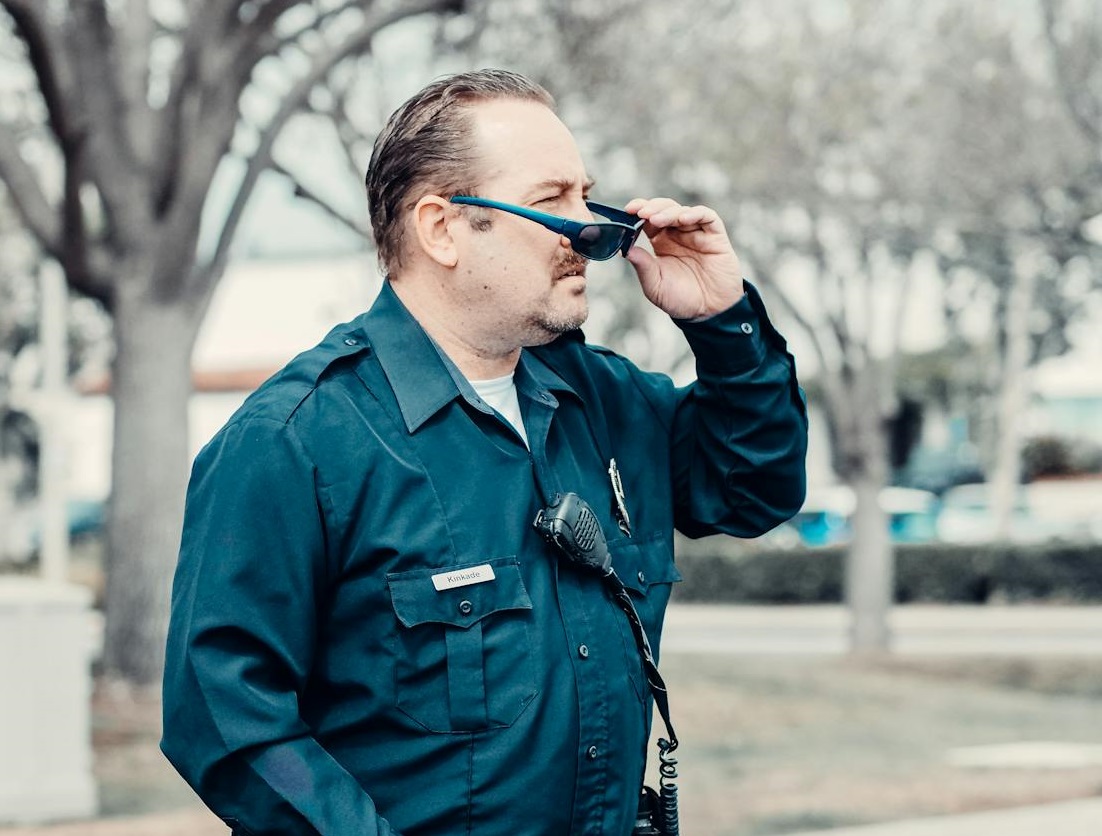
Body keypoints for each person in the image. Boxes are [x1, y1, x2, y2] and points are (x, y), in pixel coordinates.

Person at [161, 69, 808, 836]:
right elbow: (228, 718)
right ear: (441, 229)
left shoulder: (606, 403)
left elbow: (754, 490)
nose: (593, 233)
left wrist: (723, 322)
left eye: (585, 194)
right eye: (550, 201)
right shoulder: (294, 441)